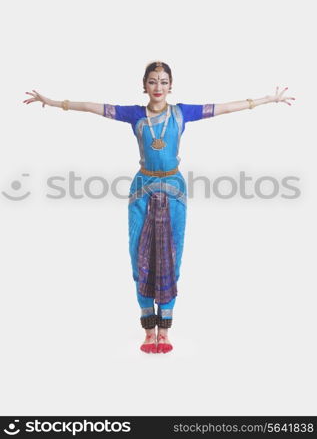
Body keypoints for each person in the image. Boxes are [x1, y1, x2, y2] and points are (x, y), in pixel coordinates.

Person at [23, 61, 296, 354]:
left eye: (164, 82)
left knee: (171, 254)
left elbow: (225, 108)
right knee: (138, 254)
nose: (158, 87)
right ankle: (147, 328)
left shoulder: (181, 113)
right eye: (152, 82)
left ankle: (164, 331)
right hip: (142, 190)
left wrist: (267, 99)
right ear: (144, 85)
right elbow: (93, 107)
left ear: (171, 86)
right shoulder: (135, 115)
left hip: (174, 191)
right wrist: (52, 102)